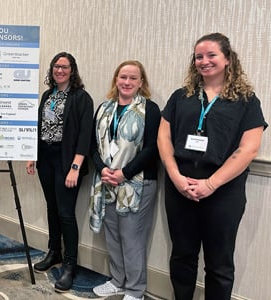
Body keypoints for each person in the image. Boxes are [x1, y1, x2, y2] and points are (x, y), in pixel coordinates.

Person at [157, 33, 267, 300]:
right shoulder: (181, 97)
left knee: (219, 265)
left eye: (211, 55)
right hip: (179, 188)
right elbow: (163, 137)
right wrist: (175, 177)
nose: (204, 61)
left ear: (228, 59)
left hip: (223, 193)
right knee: (182, 256)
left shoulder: (246, 101)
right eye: (198, 57)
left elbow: (248, 149)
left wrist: (211, 184)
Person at [89, 60, 161, 300]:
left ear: (141, 82)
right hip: (107, 182)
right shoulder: (104, 108)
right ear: (116, 80)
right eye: (123, 77)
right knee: (112, 235)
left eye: (133, 78)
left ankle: (136, 290)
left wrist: (124, 173)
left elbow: (153, 148)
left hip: (137, 183)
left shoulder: (149, 110)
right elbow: (93, 147)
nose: (127, 82)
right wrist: (102, 170)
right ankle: (118, 281)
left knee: (132, 237)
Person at [26, 52, 94, 293]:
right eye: (56, 66)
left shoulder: (81, 98)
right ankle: (54, 251)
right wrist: (33, 155)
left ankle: (69, 264)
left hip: (67, 161)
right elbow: (40, 127)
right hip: (46, 157)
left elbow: (85, 136)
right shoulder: (48, 95)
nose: (59, 70)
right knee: (51, 208)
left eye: (64, 67)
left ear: (72, 70)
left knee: (66, 213)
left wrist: (75, 167)